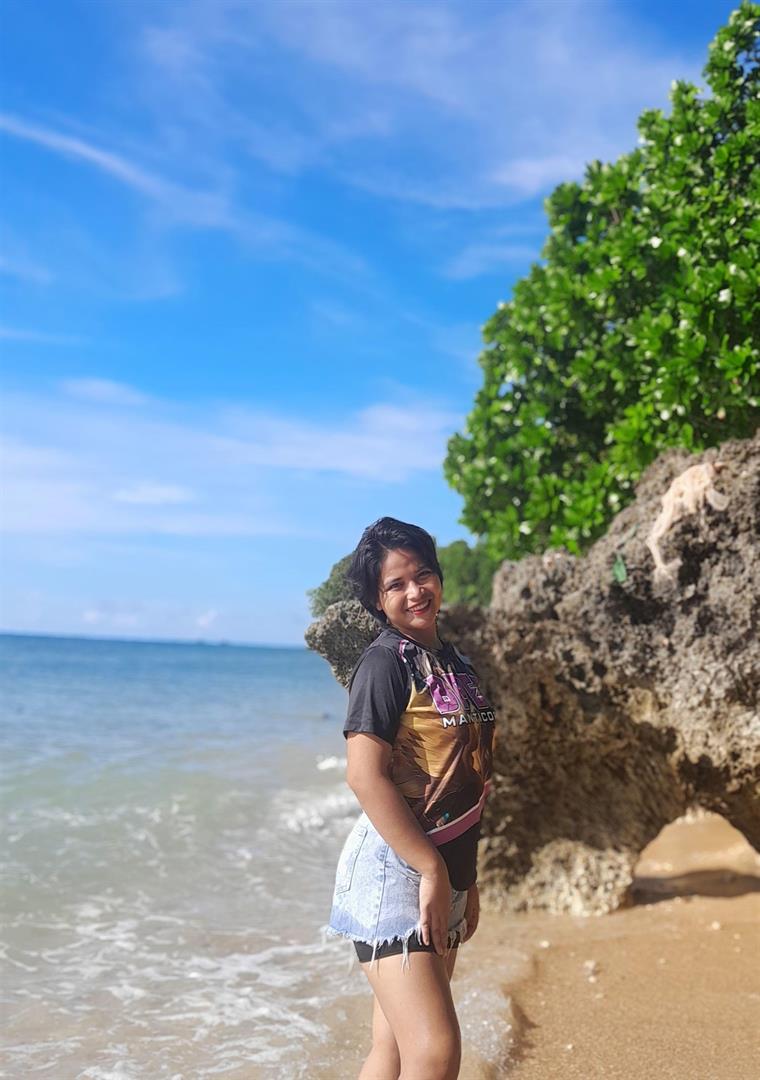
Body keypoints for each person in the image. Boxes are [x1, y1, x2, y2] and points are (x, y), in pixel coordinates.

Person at [326, 516, 496, 1080]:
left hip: (443, 868)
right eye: (395, 584)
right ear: (378, 601)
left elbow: (470, 774)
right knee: (435, 1052)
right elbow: (363, 776)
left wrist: (465, 879)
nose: (415, 591)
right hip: (397, 869)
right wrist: (431, 869)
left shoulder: (458, 663)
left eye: (422, 575)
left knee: (396, 1049)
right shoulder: (383, 664)